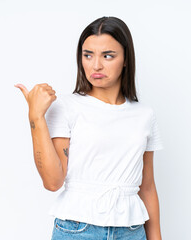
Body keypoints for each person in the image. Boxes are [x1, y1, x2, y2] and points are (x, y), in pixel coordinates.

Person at [15, 16, 164, 240]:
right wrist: (35, 116)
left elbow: (148, 187)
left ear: (125, 59)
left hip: (132, 232)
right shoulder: (67, 107)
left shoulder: (144, 115)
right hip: (78, 230)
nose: (96, 65)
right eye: (88, 55)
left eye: (108, 56)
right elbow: (53, 182)